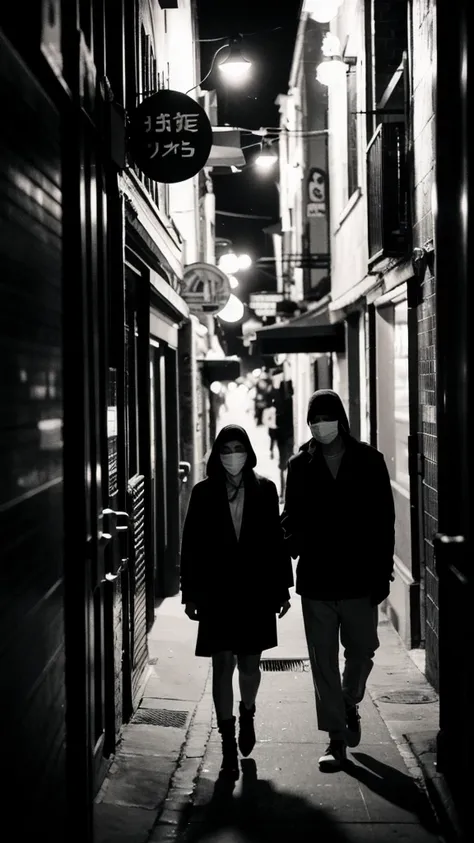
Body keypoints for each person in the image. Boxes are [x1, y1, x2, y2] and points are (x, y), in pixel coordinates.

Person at [281, 389, 395, 770]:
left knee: (362, 651)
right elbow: (289, 518)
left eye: (325, 417)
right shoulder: (299, 465)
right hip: (316, 579)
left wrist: (382, 574)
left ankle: (348, 701)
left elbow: (384, 522)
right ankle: (335, 740)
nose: (318, 425)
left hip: (360, 577)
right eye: (313, 419)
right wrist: (290, 543)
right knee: (322, 661)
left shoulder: (369, 460)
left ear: (340, 420)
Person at [180, 424, 293, 779]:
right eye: (226, 449)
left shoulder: (265, 489)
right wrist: (190, 593)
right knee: (222, 665)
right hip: (217, 592)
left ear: (248, 451)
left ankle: (247, 713)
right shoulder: (203, 492)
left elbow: (276, 544)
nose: (232, 455)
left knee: (248, 664)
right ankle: (227, 741)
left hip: (256, 591)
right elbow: (192, 545)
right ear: (217, 454)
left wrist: (282, 589)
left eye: (238, 447)